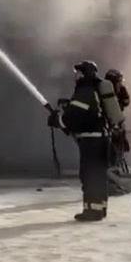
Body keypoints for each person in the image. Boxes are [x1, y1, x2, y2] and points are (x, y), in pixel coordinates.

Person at [47, 60, 126, 222]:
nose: (76, 76)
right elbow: (87, 113)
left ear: (85, 73)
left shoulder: (85, 90)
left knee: (90, 176)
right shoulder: (93, 88)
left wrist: (57, 120)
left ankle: (93, 211)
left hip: (92, 143)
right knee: (97, 176)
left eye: (78, 72)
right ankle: (100, 208)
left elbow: (77, 118)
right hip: (101, 140)